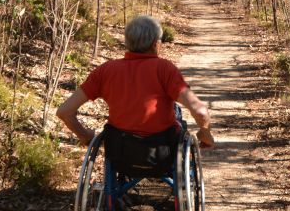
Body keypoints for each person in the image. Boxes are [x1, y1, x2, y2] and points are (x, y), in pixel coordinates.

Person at [56, 15, 214, 149]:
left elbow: (64, 112)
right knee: (176, 111)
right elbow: (200, 112)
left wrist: (85, 136)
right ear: (156, 44)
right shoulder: (165, 69)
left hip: (120, 151)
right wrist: (205, 134)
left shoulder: (105, 70)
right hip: (161, 151)